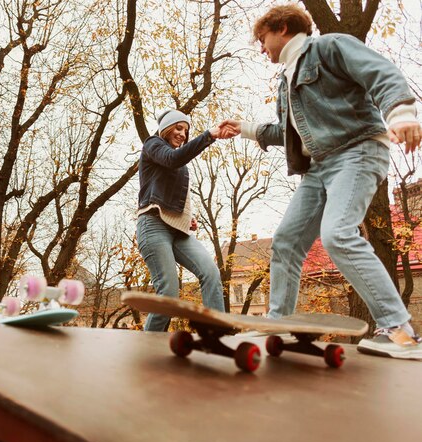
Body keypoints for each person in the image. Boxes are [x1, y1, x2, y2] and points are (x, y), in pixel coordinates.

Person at [219, 4, 422, 359]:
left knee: (338, 233)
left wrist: (401, 112)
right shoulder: (286, 80)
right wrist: (244, 129)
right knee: (286, 241)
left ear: (282, 28)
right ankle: (278, 325)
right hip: (319, 167)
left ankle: (400, 331)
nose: (261, 47)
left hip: (356, 152)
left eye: (262, 39)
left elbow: (381, 73)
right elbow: (288, 132)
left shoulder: (329, 47)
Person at [137, 109, 226, 331]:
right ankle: (149, 345)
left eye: (186, 131)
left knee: (211, 273)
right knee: (169, 293)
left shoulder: (177, 162)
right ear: (166, 128)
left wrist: (188, 218)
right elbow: (173, 159)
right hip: (153, 226)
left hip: (178, 230)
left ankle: (215, 331)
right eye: (178, 128)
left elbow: (172, 193)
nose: (183, 135)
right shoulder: (153, 145)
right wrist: (209, 135)